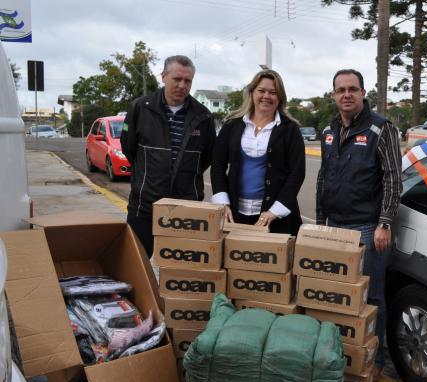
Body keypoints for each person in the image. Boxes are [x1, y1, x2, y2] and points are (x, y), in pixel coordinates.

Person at [316, 69, 402, 382]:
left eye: (353, 89)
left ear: (363, 92)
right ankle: (342, 351)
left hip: (367, 228)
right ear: (333, 95)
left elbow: (393, 177)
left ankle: (375, 359)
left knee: (372, 297)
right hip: (335, 226)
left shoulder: (382, 128)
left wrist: (385, 223)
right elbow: (323, 177)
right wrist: (320, 223)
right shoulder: (328, 129)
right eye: (341, 90)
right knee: (336, 294)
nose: (347, 94)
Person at [120, 55, 216, 257]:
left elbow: (206, 157)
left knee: (179, 274)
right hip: (145, 205)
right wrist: (147, 177)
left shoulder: (204, 116)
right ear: (164, 77)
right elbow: (129, 148)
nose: (182, 85)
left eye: (188, 81)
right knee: (137, 264)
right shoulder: (140, 108)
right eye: (177, 79)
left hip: (186, 209)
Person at [210, 69, 305, 234]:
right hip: (234, 215)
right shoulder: (232, 125)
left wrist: (274, 212)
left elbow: (297, 173)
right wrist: (222, 203)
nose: (266, 96)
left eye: (273, 92)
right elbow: (217, 165)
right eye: (261, 90)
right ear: (252, 93)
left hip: (276, 219)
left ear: (280, 97)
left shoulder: (290, 129)